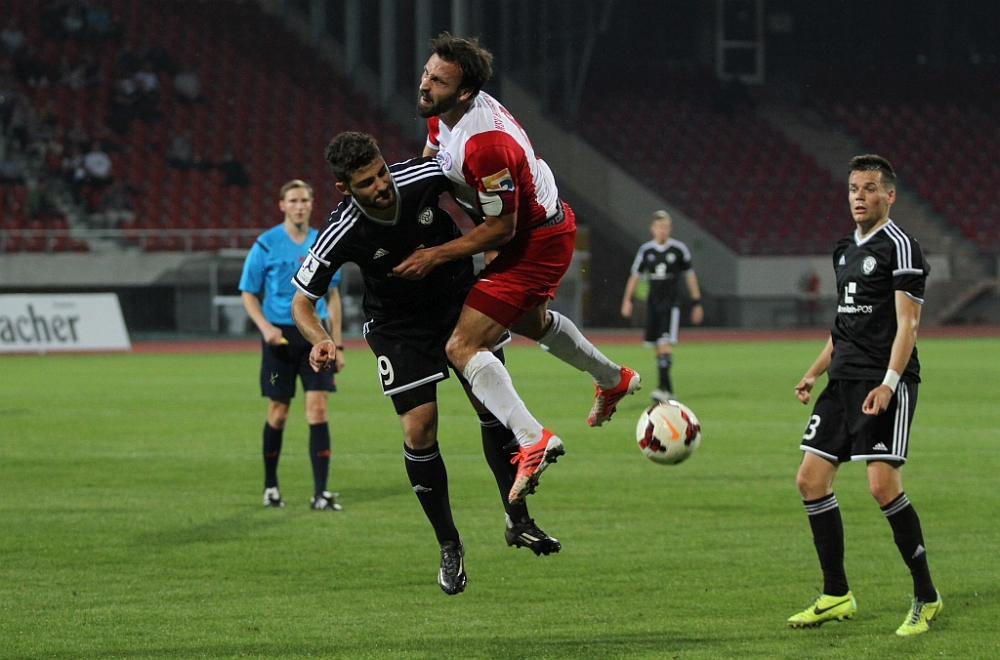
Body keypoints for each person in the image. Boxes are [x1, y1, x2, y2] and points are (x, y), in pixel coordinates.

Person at [291, 132, 561, 597]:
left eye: (381, 172)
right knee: (419, 429)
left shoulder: (423, 175)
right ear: (344, 188)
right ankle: (449, 544)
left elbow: (489, 205)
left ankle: (517, 519)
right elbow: (301, 301)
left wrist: (497, 249)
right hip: (398, 327)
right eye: (366, 182)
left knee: (491, 407)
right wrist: (320, 340)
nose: (381, 185)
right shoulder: (340, 230)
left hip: (459, 302)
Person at [393, 33, 641, 506]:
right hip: (530, 226)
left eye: (438, 80)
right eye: (426, 73)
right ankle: (614, 379)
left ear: (465, 92)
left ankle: (532, 438)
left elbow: (501, 228)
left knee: (463, 345)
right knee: (531, 322)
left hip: (534, 240)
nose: (425, 84)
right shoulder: (443, 112)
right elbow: (431, 164)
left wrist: (434, 254)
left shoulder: (485, 145)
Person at [787, 155, 941, 636]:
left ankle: (926, 596)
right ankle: (836, 593)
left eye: (870, 188)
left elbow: (908, 325)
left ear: (889, 196)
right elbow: (844, 325)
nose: (859, 196)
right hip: (842, 382)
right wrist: (813, 372)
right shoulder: (843, 250)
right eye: (854, 188)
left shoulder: (902, 247)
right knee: (810, 480)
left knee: (882, 487)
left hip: (884, 381)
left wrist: (889, 384)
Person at [239, 179, 344, 512]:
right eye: (293, 201)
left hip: (314, 334)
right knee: (279, 413)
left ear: (312, 204)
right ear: (282, 205)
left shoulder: (323, 241)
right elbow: (248, 292)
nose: (299, 206)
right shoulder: (266, 244)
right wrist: (265, 328)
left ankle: (321, 494)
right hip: (279, 339)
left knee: (318, 410)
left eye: (304, 200)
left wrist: (337, 344)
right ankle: (271, 487)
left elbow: (333, 295)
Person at [620, 210, 703, 403]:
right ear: (653, 228)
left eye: (665, 227)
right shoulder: (646, 251)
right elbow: (635, 276)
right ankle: (668, 390)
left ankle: (662, 389)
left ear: (670, 229)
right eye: (659, 227)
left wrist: (696, 302)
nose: (662, 230)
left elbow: (689, 276)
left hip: (671, 304)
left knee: (665, 344)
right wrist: (627, 300)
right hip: (653, 304)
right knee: (657, 347)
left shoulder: (679, 250)